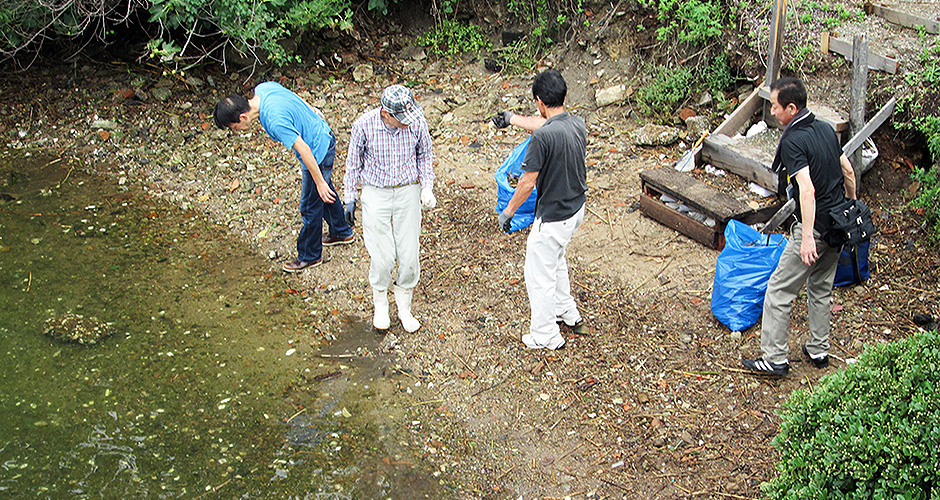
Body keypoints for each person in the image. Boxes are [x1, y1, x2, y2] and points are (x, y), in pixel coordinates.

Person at [742, 77, 857, 376]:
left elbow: (806, 190)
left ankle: (774, 359)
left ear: (791, 108)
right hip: (838, 224)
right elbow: (848, 170)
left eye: (776, 107)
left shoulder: (793, 141)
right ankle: (819, 350)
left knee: (779, 290)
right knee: (820, 287)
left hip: (816, 228)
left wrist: (807, 237)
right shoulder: (825, 129)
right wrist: (851, 206)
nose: (773, 112)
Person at [213, 81, 354, 273]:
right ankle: (341, 231)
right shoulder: (264, 89)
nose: (235, 132)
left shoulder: (273, 120)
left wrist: (319, 181)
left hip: (317, 149)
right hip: (322, 132)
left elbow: (303, 149)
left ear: (243, 117)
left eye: (234, 128)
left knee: (309, 205)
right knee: (322, 192)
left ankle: (310, 256)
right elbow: (295, 99)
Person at [492, 69, 587, 350]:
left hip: (554, 215)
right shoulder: (576, 123)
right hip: (576, 209)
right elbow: (544, 124)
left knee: (538, 274)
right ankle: (566, 312)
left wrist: (508, 212)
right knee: (555, 260)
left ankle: (546, 334)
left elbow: (527, 181)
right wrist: (511, 119)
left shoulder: (541, 139)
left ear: (539, 101)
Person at [343, 84, 436, 333]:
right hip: (376, 191)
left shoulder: (417, 122)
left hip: (408, 189)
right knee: (382, 255)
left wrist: (427, 187)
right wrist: (350, 197)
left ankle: (404, 307)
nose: (408, 122)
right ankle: (381, 303)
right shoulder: (364, 124)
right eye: (402, 118)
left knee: (409, 254)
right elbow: (353, 163)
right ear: (386, 113)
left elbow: (424, 153)